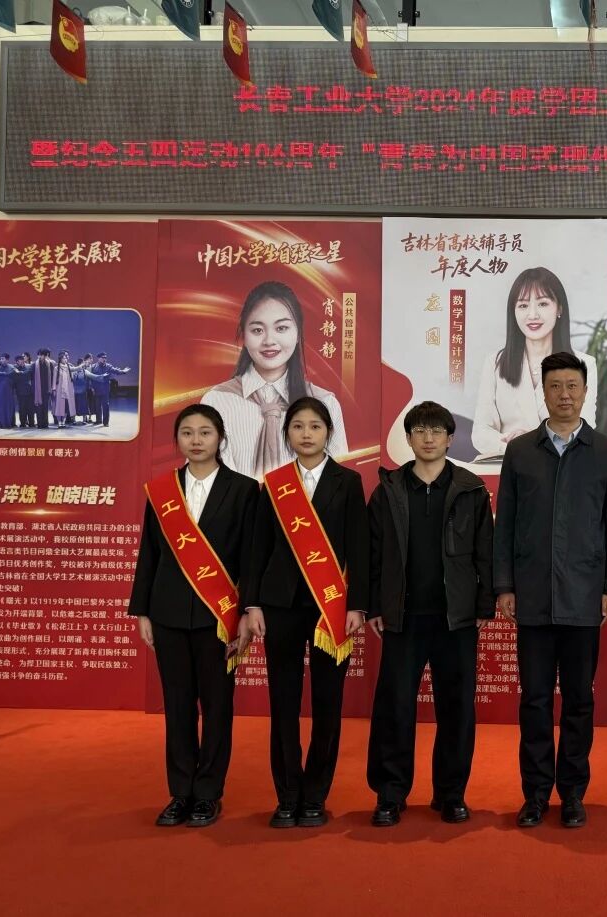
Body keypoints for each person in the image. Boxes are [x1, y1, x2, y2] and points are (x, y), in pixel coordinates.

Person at [494, 351, 607, 829]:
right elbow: (505, 524)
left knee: (578, 700)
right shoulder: (521, 451)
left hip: (585, 596)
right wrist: (504, 585)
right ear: (543, 392)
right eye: (555, 386)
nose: (564, 395)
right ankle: (534, 795)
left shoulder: (606, 452)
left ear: (585, 392)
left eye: (573, 386)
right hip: (531, 595)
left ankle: (572, 794)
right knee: (533, 700)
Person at [241, 396, 369, 829]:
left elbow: (360, 548)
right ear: (287, 433)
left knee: (328, 703)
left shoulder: (348, 482)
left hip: (330, 607)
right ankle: (287, 795)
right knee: (283, 703)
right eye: (298, 426)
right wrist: (252, 604)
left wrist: (357, 605)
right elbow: (257, 549)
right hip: (280, 606)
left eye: (315, 426)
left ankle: (315, 795)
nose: (307, 433)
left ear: (328, 432)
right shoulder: (274, 484)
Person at [128, 404, 258, 828]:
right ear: (177, 440)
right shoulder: (162, 491)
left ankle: (207, 794)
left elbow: (250, 559)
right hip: (167, 613)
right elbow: (149, 553)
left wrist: (246, 613)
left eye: (205, 432)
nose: (196, 440)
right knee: (178, 705)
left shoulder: (244, 490)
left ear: (220, 438)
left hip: (218, 617)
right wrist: (142, 611)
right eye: (187, 432)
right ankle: (180, 792)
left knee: (217, 706)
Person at [365, 401, 494, 827]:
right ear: (408, 438)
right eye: (419, 430)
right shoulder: (388, 490)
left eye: (437, 431)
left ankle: (451, 794)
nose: (428, 438)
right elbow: (372, 554)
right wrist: (375, 606)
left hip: (456, 618)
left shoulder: (471, 489)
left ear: (450, 439)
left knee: (456, 709)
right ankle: (390, 794)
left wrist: (483, 605)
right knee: (395, 707)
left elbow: (485, 552)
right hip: (403, 617)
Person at [203, 281, 348, 477]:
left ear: (298, 333)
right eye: (257, 330)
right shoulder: (216, 402)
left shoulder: (325, 403)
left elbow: (338, 484)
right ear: (243, 335)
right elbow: (203, 480)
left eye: (281, 328)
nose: (269, 341)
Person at [471, 267, 599, 458]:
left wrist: (528, 441)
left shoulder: (584, 364)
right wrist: (512, 446)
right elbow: (481, 433)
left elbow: (582, 430)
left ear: (559, 308)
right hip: (509, 466)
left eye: (543, 303)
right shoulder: (495, 363)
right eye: (523, 305)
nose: (532, 315)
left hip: (561, 468)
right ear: (513, 311)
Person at [85, 352, 132, 428]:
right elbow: (91, 378)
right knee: (97, 406)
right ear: (99, 358)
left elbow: (116, 371)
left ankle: (106, 422)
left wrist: (123, 371)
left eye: (105, 358)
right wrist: (92, 387)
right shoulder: (93, 367)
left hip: (105, 389)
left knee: (105, 406)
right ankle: (98, 420)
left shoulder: (108, 366)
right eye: (103, 358)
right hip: (96, 390)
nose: (104, 359)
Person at [50, 351, 76, 428]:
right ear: (60, 359)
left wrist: (83, 365)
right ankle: (59, 422)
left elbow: (76, 369)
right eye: (64, 358)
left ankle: (63, 422)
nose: (65, 359)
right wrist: (54, 389)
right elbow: (54, 379)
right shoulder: (56, 368)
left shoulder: (68, 368)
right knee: (59, 408)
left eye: (66, 358)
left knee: (66, 408)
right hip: (59, 391)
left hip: (67, 391)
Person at [30, 349, 54, 430]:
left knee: (45, 407)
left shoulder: (49, 364)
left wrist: (51, 388)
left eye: (43, 355)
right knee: (39, 408)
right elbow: (31, 377)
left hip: (47, 389)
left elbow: (52, 376)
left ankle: (45, 424)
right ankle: (40, 424)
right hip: (37, 390)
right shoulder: (34, 365)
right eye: (40, 355)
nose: (41, 357)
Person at [12, 353, 34, 429]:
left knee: (30, 408)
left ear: (23, 360)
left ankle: (31, 423)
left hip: (29, 391)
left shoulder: (29, 367)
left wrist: (19, 373)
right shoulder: (15, 368)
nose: (20, 362)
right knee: (22, 409)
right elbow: (15, 380)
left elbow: (28, 375)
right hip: (20, 392)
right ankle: (23, 423)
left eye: (21, 360)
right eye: (18, 361)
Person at [72, 353, 93, 424]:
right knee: (75, 406)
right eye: (81, 364)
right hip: (75, 392)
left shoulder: (85, 371)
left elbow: (92, 377)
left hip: (83, 392)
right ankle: (74, 420)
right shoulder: (74, 372)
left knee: (84, 406)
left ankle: (84, 420)